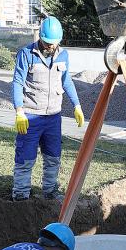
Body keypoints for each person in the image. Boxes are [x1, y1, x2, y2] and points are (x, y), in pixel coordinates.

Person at [10, 16, 85, 201]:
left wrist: (77, 105)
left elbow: (67, 81)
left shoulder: (63, 55)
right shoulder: (26, 54)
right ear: (40, 38)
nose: (51, 47)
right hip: (31, 116)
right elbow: (17, 82)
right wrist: (19, 111)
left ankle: (50, 192)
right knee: (25, 158)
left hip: (53, 117)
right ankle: (20, 195)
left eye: (54, 43)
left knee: (53, 157)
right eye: (47, 43)